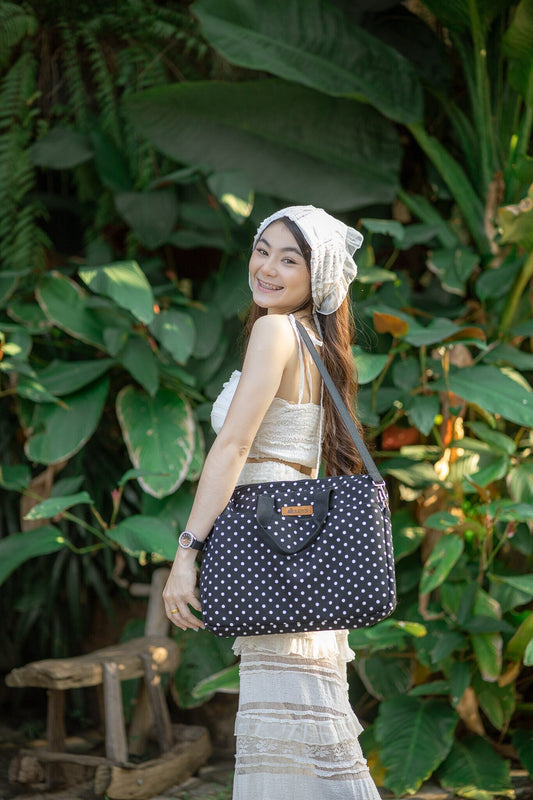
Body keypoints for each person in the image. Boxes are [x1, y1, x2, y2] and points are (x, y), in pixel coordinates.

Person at [163, 205, 381, 800]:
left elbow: (233, 445)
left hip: (270, 556)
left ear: (320, 277)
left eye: (291, 259)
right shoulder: (316, 342)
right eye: (263, 250)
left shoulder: (275, 331)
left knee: (302, 740)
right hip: (297, 559)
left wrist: (188, 552)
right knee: (316, 741)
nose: (268, 267)